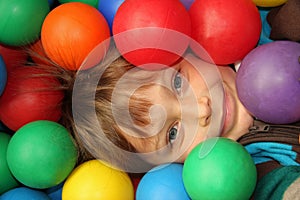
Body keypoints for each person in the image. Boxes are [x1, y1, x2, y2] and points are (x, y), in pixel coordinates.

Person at [30, 42, 299, 198]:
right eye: (173, 133)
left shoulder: (274, 32)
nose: (203, 110)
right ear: (171, 168)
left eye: (178, 82)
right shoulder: (260, 176)